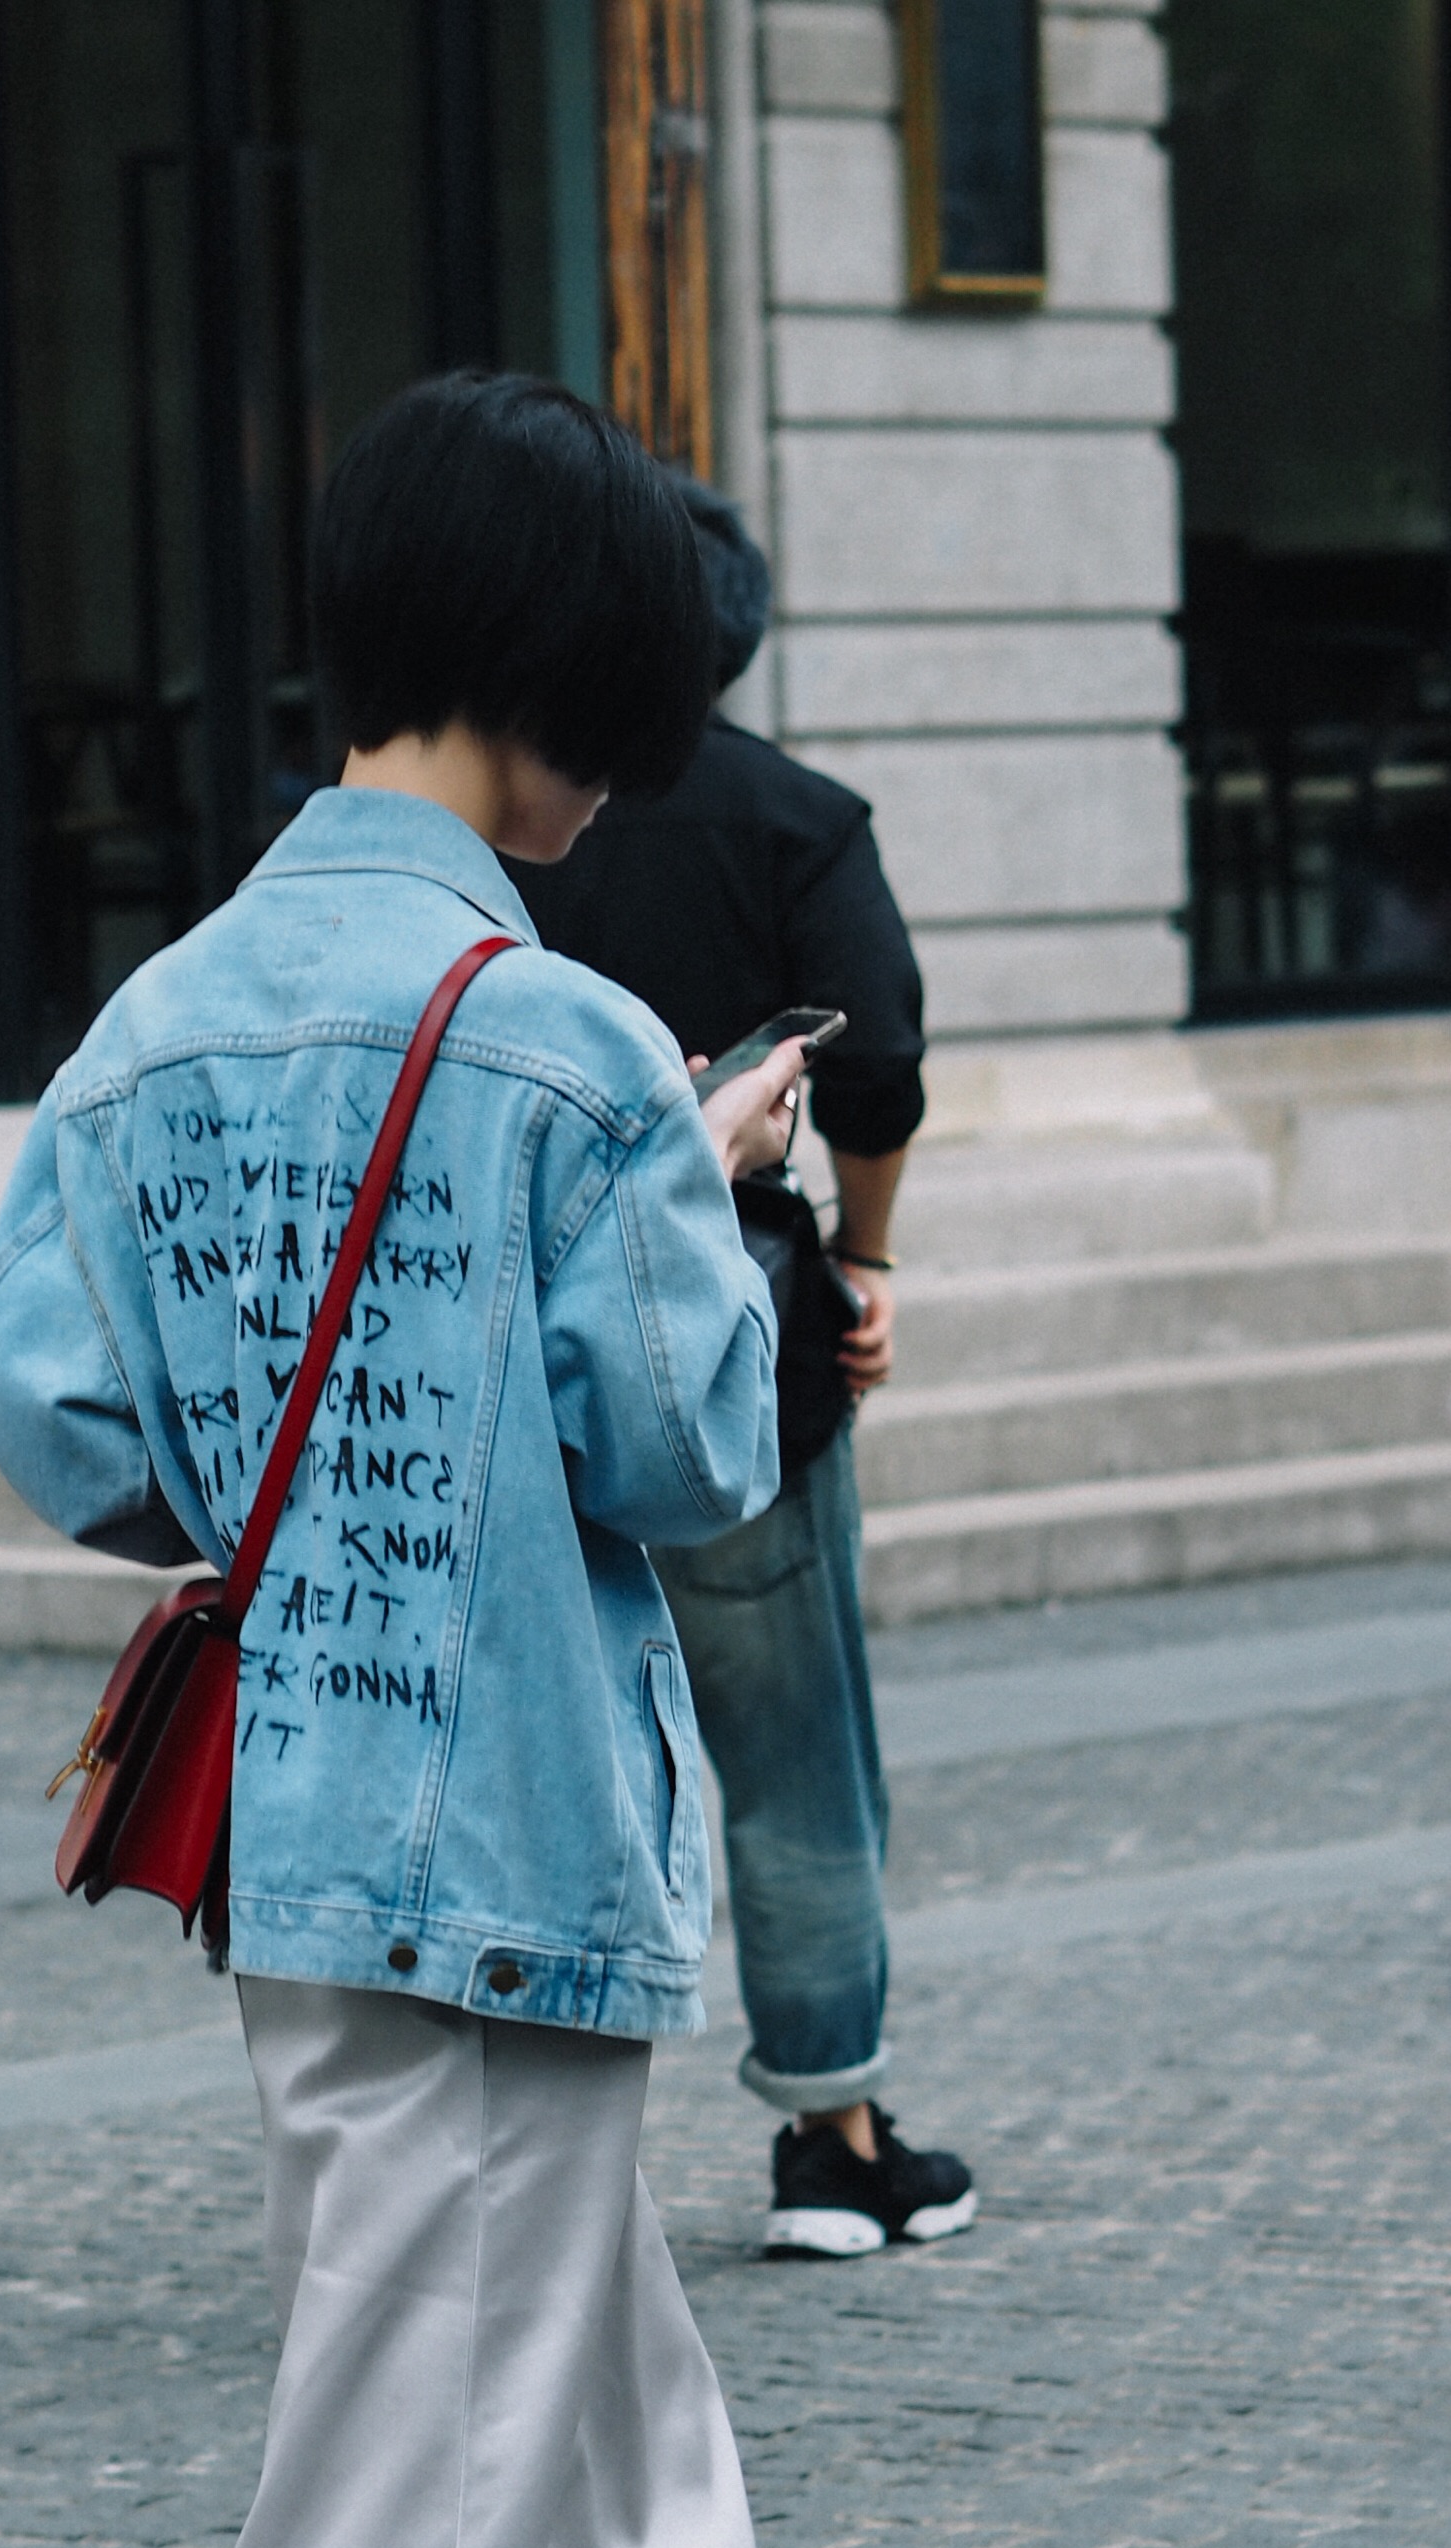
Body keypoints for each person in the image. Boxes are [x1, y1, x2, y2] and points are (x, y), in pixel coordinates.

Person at [0, 374, 1117, 2548]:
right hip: (518, 1855)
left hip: (308, 1847)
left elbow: (58, 1418)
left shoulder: (154, 1019)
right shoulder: (573, 1048)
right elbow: (692, 1453)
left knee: (612, 2435)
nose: (632, 777)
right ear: (557, 682)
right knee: (395, 2478)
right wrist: (709, 1200)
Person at [513, 481, 976, 2262]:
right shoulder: (795, 818)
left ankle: (543, 2157)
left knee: (546, 1762)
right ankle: (832, 2131)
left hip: (517, 1346)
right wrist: (868, 1257)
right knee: (793, 1749)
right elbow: (884, 1068)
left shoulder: (497, 833)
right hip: (737, 1349)